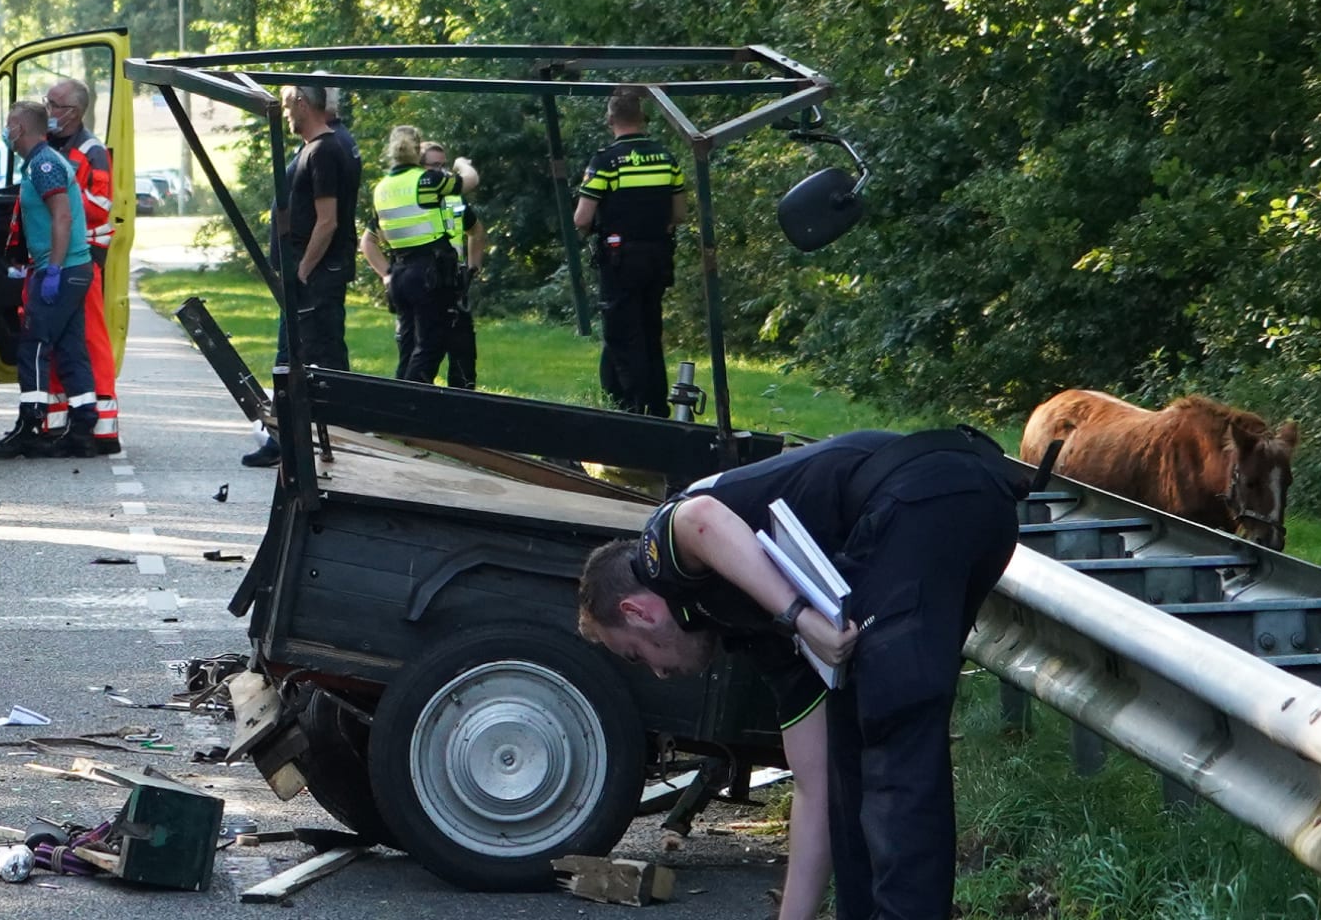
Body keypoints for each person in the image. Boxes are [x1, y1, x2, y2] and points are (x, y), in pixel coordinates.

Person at [575, 428, 1024, 920]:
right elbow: (813, 788)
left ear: (637, 612)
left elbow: (699, 517)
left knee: (896, 734)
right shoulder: (752, 630)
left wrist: (800, 618)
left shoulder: (659, 560)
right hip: (960, 505)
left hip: (921, 493)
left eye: (638, 656)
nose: (660, 673)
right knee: (849, 754)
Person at [242, 84, 361, 467]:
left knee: (313, 358)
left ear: (301, 102)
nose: (284, 113)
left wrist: (302, 273)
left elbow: (327, 222)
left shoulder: (325, 151)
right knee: (293, 356)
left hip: (315, 280)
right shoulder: (310, 149)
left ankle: (324, 440)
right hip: (304, 279)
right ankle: (287, 439)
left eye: (286, 103)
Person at [0, 101, 98, 459]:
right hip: (73, 270)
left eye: (9, 125)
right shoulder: (40, 162)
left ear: (21, 128)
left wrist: (52, 270)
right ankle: (82, 429)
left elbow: (62, 218)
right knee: (69, 349)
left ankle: (30, 426)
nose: (6, 132)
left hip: (61, 270)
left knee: (33, 346)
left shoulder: (44, 165)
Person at [574, 86, 684, 417]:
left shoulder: (606, 161)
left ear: (610, 119)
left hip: (621, 259)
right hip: (657, 256)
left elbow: (582, 218)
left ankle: (634, 408)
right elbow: (679, 215)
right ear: (643, 118)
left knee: (623, 334)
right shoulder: (666, 158)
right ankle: (655, 403)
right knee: (651, 329)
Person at [40, 78, 122, 454]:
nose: (48, 111)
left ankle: (104, 430)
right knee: (54, 341)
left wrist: (61, 187)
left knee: (91, 340)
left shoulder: (91, 151)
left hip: (84, 256)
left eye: (55, 104)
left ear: (74, 112)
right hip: (56, 257)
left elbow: (100, 206)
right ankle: (55, 424)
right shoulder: (48, 147)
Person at [359, 127, 479, 384]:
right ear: (417, 152)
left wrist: (387, 274)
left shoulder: (382, 188)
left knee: (409, 347)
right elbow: (470, 181)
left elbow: (374, 236)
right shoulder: (427, 181)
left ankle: (396, 407)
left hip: (400, 272)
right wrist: (462, 165)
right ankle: (409, 404)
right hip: (428, 274)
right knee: (430, 345)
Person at [422, 141, 485, 389]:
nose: (441, 171)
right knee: (423, 359)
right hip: (423, 283)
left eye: (444, 165)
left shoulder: (451, 198)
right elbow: (370, 240)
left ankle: (463, 411)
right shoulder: (413, 195)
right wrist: (386, 274)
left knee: (463, 359)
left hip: (454, 285)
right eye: (434, 165)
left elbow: (476, 231)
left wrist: (472, 267)